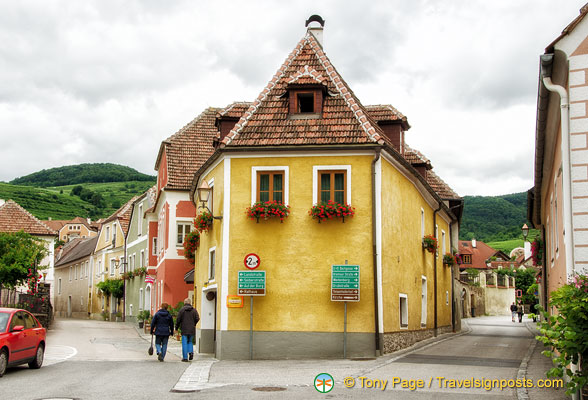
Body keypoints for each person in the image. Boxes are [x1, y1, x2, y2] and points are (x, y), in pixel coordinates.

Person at [175, 297, 200, 362]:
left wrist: (176, 327)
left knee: (184, 342)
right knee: (190, 341)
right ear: (190, 303)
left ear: (184, 303)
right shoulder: (194, 310)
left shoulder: (182, 310)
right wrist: (193, 323)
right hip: (191, 329)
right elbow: (197, 318)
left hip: (184, 329)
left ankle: (185, 357)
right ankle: (191, 352)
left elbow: (178, 319)